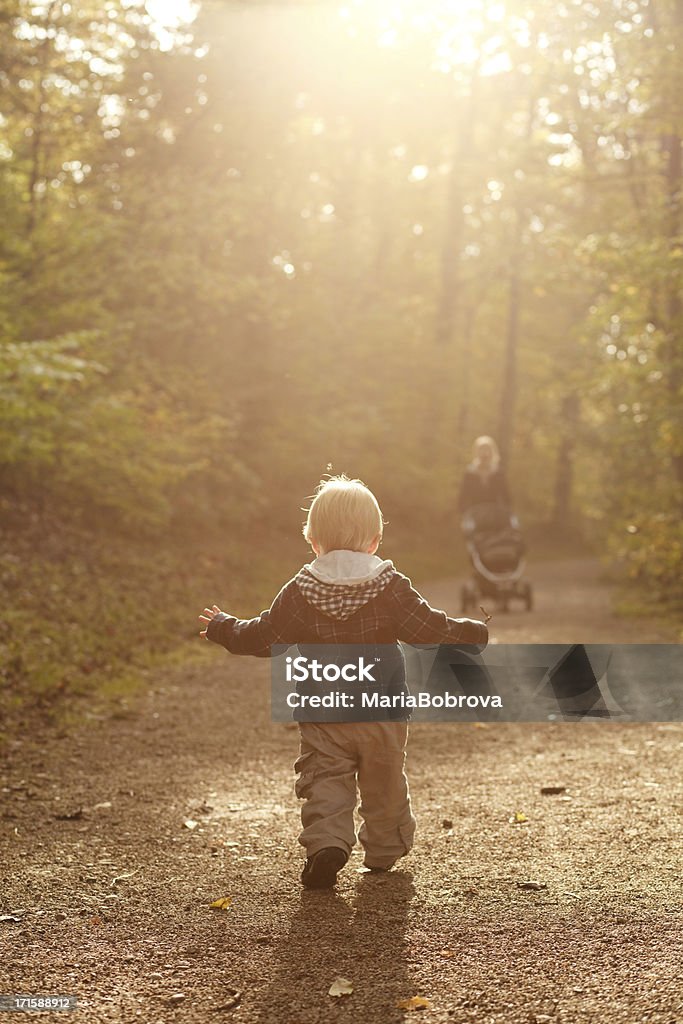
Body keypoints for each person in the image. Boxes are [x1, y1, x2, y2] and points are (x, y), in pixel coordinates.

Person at [199, 475, 488, 890]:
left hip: (323, 713)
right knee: (385, 780)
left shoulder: (300, 590)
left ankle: (327, 845)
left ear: (313, 539)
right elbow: (426, 630)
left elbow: (265, 637)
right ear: (374, 540)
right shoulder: (390, 585)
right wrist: (471, 633)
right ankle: (385, 849)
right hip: (382, 711)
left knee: (324, 780)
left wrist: (224, 628)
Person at [458, 436, 512, 533]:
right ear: (476, 452)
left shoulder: (499, 473)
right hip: (475, 517)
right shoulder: (469, 474)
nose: (484, 454)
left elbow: (506, 498)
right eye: (481, 450)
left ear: (492, 452)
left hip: (495, 517)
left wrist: (506, 515)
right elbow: (463, 498)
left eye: (487, 450)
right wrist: (465, 516)